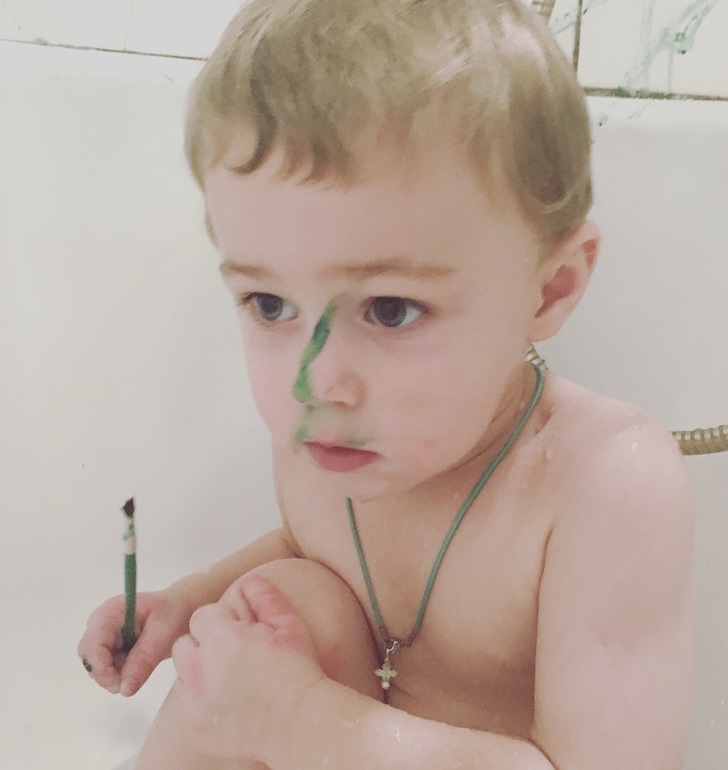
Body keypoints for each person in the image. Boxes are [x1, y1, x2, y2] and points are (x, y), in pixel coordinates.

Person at [78, 0, 695, 767]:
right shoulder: (332, 438)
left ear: (549, 289)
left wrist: (294, 719)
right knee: (279, 603)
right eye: (269, 305)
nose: (315, 382)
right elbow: (310, 545)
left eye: (390, 309)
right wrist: (190, 603)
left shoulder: (598, 485)